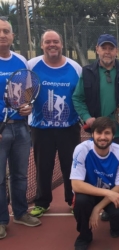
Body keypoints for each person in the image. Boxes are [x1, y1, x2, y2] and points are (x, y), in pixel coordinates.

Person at [72, 34, 119, 220]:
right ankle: (103, 206)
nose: (108, 51)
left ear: (117, 51)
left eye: (111, 48)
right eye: (104, 48)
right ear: (97, 49)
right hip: (99, 133)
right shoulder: (87, 72)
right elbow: (77, 98)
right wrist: (87, 118)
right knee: (97, 171)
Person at [28, 30, 82, 217]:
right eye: (48, 42)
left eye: (56, 41)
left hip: (69, 128)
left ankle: (72, 199)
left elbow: (80, 95)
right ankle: (42, 202)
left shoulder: (75, 67)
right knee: (43, 167)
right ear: (42, 45)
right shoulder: (32, 65)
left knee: (71, 166)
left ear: (61, 44)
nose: (52, 45)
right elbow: (27, 93)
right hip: (41, 128)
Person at [0, 16, 41, 240]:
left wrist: (28, 107)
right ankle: (1, 220)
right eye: (0, 31)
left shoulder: (21, 61)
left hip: (21, 129)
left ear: (12, 36)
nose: (2, 35)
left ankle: (20, 213)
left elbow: (27, 90)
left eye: (6, 31)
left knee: (20, 175)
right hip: (0, 129)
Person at [70, 117, 119, 250]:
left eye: (107, 133)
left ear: (113, 135)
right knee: (81, 202)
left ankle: (115, 226)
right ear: (92, 134)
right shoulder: (82, 149)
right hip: (89, 193)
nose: (103, 137)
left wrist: (97, 208)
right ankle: (85, 236)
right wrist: (107, 193)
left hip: (111, 192)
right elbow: (76, 185)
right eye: (99, 133)